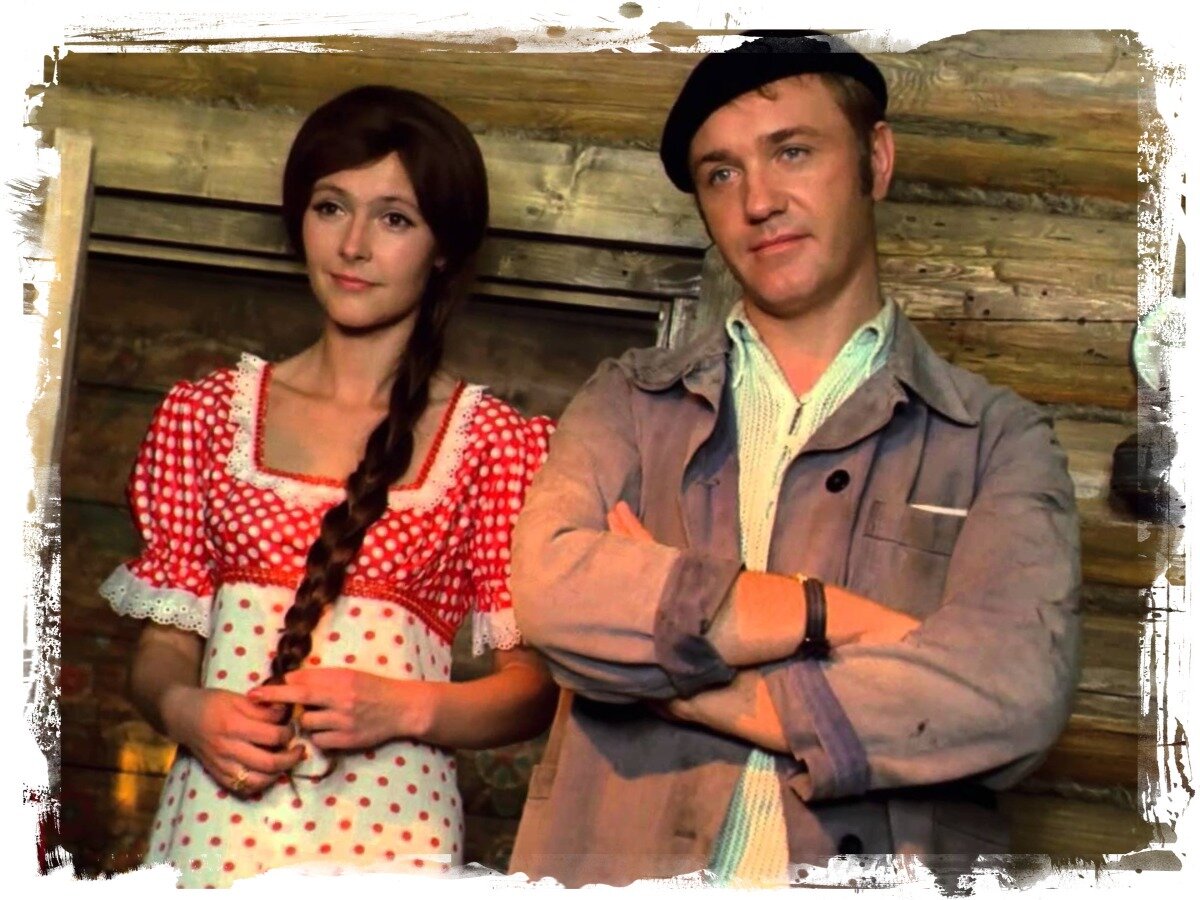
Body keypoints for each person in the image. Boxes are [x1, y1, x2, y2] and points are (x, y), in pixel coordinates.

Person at [508, 33, 1081, 887]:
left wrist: (699, 685)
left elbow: (1012, 693)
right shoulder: (628, 400)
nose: (759, 201)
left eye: (793, 152)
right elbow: (552, 597)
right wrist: (825, 615)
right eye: (722, 173)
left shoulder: (997, 439)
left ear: (875, 160)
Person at [100, 85, 558, 888]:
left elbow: (532, 691)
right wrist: (185, 710)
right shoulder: (205, 415)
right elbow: (164, 648)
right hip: (217, 830)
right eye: (330, 207)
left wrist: (402, 706)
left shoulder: (493, 444)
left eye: (394, 219)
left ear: (442, 248)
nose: (353, 245)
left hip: (395, 835)